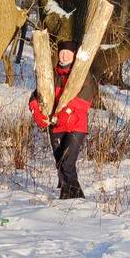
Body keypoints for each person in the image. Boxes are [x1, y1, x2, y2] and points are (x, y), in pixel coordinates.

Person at [29, 38, 97, 199]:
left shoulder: (82, 75)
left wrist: (62, 113)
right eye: (62, 52)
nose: (64, 56)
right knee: (60, 162)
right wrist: (38, 114)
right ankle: (71, 195)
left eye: (68, 53)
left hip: (76, 126)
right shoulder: (50, 75)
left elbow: (83, 102)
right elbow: (35, 97)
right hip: (55, 126)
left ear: (74, 55)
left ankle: (72, 197)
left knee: (67, 162)